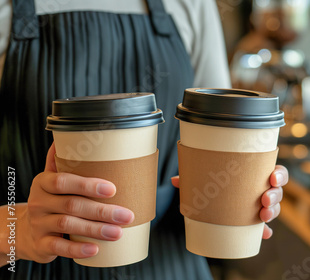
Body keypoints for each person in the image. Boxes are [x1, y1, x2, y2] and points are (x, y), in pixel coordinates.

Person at [0, 0, 288, 279]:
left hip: (175, 266)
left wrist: (244, 193)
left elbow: (227, 123)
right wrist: (16, 230)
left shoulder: (191, 3)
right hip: (35, 267)